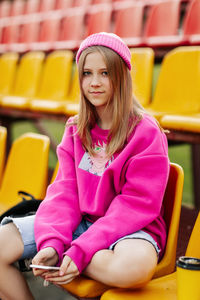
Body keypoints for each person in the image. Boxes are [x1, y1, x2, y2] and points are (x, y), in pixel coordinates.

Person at [0, 32, 170, 300]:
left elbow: (135, 204)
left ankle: (67, 256)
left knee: (132, 269)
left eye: (105, 73)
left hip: (129, 230)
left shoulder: (145, 132)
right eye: (87, 73)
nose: (94, 83)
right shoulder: (75, 129)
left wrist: (79, 251)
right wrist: (51, 241)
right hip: (80, 223)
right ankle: (61, 254)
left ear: (121, 77)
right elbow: (64, 192)